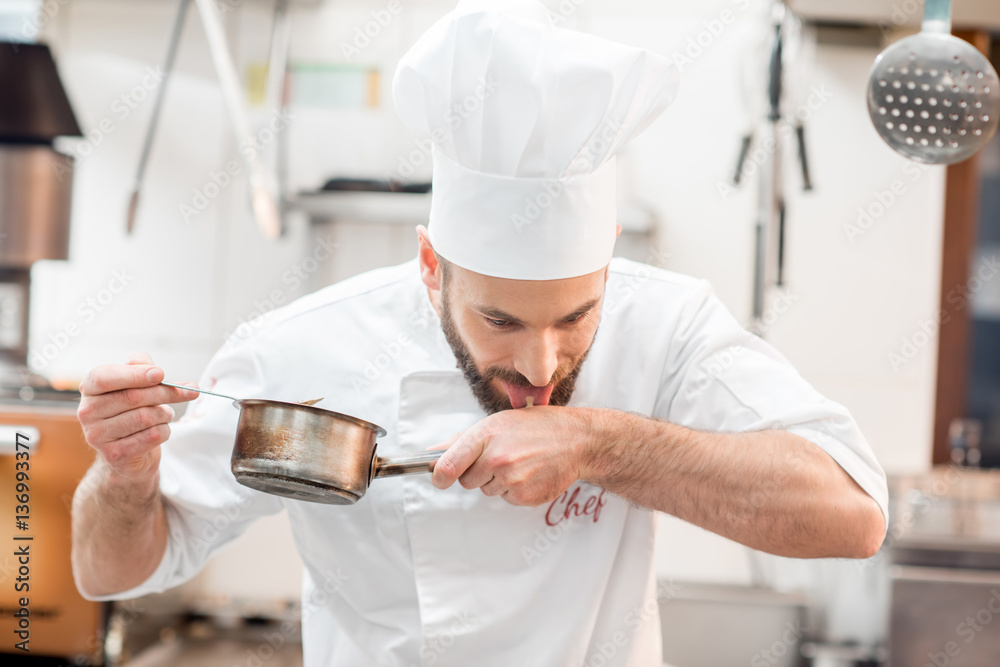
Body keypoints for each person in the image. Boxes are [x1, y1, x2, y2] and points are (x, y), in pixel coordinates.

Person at [71, 1, 888, 664]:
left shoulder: (665, 324)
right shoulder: (297, 349)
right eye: (500, 318)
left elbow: (852, 512)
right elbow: (107, 570)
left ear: (608, 265)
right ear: (431, 265)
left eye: (577, 318)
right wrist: (125, 477)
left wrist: (598, 443)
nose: (540, 364)